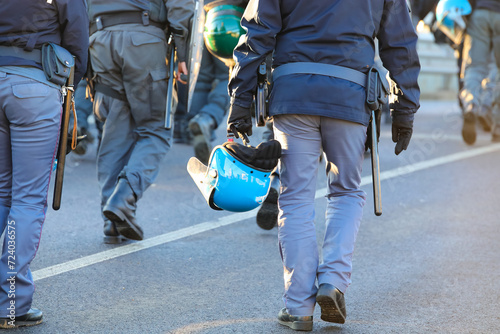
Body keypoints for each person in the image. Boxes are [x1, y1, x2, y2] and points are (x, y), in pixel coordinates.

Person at [227, 0, 420, 330]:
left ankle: (299, 307)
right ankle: (332, 281)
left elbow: (257, 32)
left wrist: (240, 103)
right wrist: (405, 109)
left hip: (293, 93)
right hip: (351, 95)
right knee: (346, 191)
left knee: (295, 198)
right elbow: (400, 42)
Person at [0, 0, 88, 328]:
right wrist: (69, 90)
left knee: (2, 193)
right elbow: (77, 37)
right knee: (27, 199)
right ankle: (10, 305)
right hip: (34, 88)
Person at [86, 0, 193, 244]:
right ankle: (123, 199)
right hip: (143, 41)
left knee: (115, 134)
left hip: (101, 40)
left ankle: (111, 221)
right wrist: (184, 51)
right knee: (156, 131)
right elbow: (182, 5)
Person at [174, 46, 230, 164]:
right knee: (228, 77)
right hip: (227, 31)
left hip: (199, 31)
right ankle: (206, 118)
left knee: (201, 78)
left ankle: (195, 120)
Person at [458, 0, 500, 144]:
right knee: (497, 68)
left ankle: (471, 105)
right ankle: (487, 109)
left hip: (480, 12)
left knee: (475, 66)